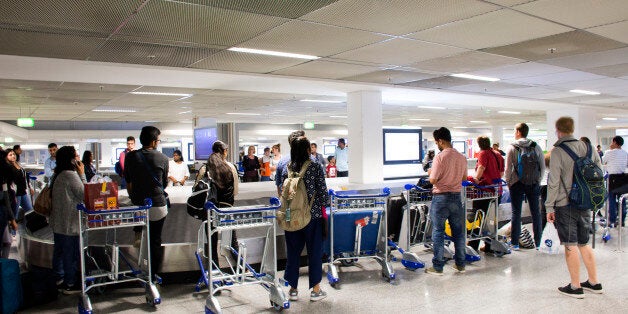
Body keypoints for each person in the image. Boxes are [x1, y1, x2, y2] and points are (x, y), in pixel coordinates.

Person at [545, 116, 602, 298]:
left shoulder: (558, 151)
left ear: (558, 130)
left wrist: (549, 207)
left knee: (570, 245)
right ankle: (594, 282)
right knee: (584, 243)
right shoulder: (588, 148)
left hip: (565, 204)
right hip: (585, 203)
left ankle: (575, 286)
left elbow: (553, 182)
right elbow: (598, 174)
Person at [281, 135, 329, 302]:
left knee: (293, 253)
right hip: (312, 217)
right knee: (314, 252)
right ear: (308, 150)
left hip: (291, 217)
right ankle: (315, 290)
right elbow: (323, 193)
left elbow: (282, 191)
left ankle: (293, 290)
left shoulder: (286, 167)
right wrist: (325, 206)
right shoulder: (315, 166)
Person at [124, 126, 169, 277]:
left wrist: (134, 197)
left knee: (143, 237)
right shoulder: (162, 158)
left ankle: (140, 268)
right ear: (154, 141)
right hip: (157, 205)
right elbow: (164, 183)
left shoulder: (131, 157)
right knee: (155, 240)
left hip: (139, 205)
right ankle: (153, 274)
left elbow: (128, 182)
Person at [425, 127, 468, 275]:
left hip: (441, 198)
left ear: (441, 141)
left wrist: (431, 172)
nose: (436, 144)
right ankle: (460, 264)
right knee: (459, 232)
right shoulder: (461, 157)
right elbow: (464, 179)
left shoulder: (440, 157)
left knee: (438, 232)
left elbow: (433, 180)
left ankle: (437, 267)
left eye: (436, 142)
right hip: (456, 197)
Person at [49, 145, 87, 294]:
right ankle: (70, 283)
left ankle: (59, 279)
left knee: (59, 251)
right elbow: (84, 194)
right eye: (76, 156)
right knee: (70, 255)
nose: (78, 159)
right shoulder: (70, 175)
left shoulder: (57, 174)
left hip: (58, 222)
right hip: (69, 223)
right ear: (71, 160)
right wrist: (82, 174)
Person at [504, 123, 545, 250]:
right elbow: (542, 166)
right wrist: (538, 180)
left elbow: (508, 168)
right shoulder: (536, 146)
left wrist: (509, 182)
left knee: (516, 212)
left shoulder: (512, 147)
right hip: (533, 183)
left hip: (517, 183)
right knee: (536, 213)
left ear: (518, 132)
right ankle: (538, 242)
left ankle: (515, 243)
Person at [206, 140, 239, 265]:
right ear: (224, 152)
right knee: (232, 239)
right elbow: (235, 191)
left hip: (210, 210)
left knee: (211, 239)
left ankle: (213, 268)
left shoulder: (206, 167)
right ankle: (240, 266)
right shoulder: (230, 167)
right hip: (227, 208)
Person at [468, 136, 504, 252]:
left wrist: (476, 179)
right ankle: (489, 245)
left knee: (478, 217)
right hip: (496, 191)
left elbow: (481, 167)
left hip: (484, 191)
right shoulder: (497, 154)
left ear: (479, 145)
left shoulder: (483, 154)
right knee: (491, 219)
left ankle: (473, 245)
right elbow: (501, 173)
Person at [602, 136, 628, 227]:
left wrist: (610, 150)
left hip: (613, 179)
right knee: (622, 200)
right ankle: (622, 220)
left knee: (611, 199)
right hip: (623, 178)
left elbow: (603, 161)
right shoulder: (625, 153)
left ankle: (612, 220)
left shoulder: (609, 153)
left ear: (614, 142)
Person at [275, 131, 305, 196]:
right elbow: (320, 186)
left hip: (289, 202)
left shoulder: (282, 161)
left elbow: (279, 186)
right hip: (309, 203)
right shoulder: (313, 161)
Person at [5, 149, 34, 218]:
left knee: (30, 211)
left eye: (13, 154)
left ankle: (29, 227)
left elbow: (25, 177)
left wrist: (30, 187)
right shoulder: (8, 167)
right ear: (6, 157)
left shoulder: (18, 164)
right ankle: (14, 228)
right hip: (16, 194)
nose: (13, 156)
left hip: (23, 192)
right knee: (15, 214)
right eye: (10, 155)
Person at [0, 150, 18, 259]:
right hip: (2, 210)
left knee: (6, 241)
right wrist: (12, 219)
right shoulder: (3, 176)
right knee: (5, 242)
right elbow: (6, 199)